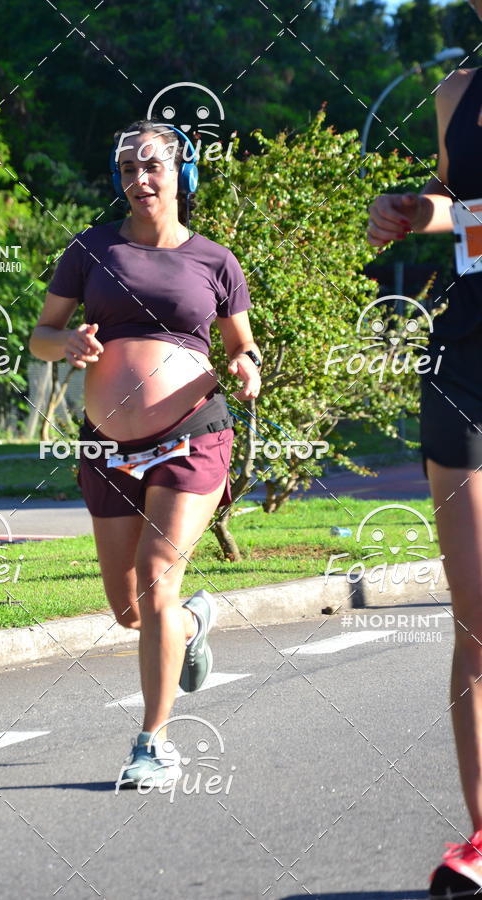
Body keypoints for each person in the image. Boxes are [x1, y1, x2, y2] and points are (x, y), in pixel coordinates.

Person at [29, 119, 261, 788]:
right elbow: (42, 334)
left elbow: (242, 345)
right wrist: (65, 341)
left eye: (153, 166)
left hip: (193, 431)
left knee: (158, 573)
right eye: (128, 168)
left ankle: (152, 744)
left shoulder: (216, 260)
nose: (140, 178)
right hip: (107, 444)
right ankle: (192, 622)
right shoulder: (89, 250)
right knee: (130, 609)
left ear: (181, 175)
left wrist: (247, 368)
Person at [367, 8, 482, 892]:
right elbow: (462, 205)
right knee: (476, 613)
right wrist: (416, 211)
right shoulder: (455, 94)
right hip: (466, 358)